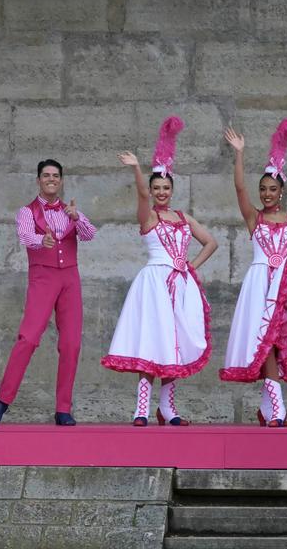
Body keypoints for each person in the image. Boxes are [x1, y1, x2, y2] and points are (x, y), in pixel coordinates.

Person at [103, 116, 218, 426]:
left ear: (172, 189)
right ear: (152, 191)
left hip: (179, 284)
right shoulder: (149, 217)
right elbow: (140, 196)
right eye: (157, 188)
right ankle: (141, 408)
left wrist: (190, 267)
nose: (161, 192)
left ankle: (167, 408)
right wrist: (137, 168)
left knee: (174, 344)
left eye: (166, 187)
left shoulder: (183, 217)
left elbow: (210, 242)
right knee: (152, 341)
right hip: (154, 283)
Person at [219, 120, 287, 427]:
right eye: (262, 189)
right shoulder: (254, 218)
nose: (266, 194)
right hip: (260, 286)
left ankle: (267, 409)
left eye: (272, 189)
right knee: (264, 341)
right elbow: (239, 187)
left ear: (281, 191)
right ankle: (277, 408)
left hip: (286, 289)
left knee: (279, 344)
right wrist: (239, 154)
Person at [0, 157, 98, 426]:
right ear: (38, 180)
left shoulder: (69, 210)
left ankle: (63, 408)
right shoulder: (27, 212)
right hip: (43, 277)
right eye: (46, 175)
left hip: (70, 277)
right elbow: (25, 236)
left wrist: (77, 217)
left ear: (60, 180)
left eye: (55, 176)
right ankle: (3, 400)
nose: (51, 179)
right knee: (28, 338)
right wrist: (41, 240)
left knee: (71, 343)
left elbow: (90, 234)